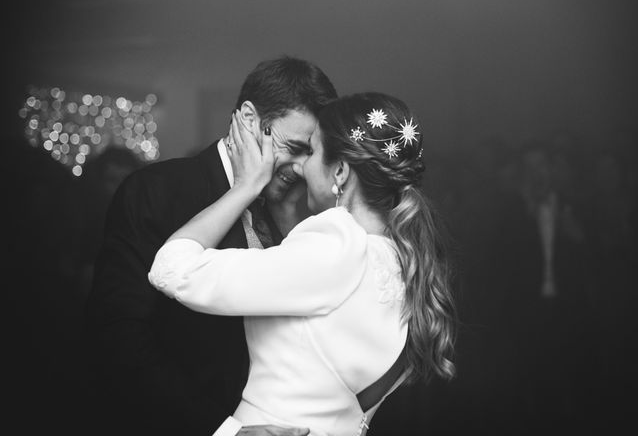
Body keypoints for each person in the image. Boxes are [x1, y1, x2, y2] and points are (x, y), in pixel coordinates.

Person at [148, 92, 457, 436]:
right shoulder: (405, 259)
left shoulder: (336, 245)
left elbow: (172, 269)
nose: (299, 166)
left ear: (340, 171)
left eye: (311, 151)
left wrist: (245, 187)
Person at [84, 55, 338, 436]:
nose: (302, 167)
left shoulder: (288, 205)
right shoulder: (156, 191)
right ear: (250, 120)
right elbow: (119, 339)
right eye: (295, 147)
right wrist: (225, 431)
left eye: (311, 154)